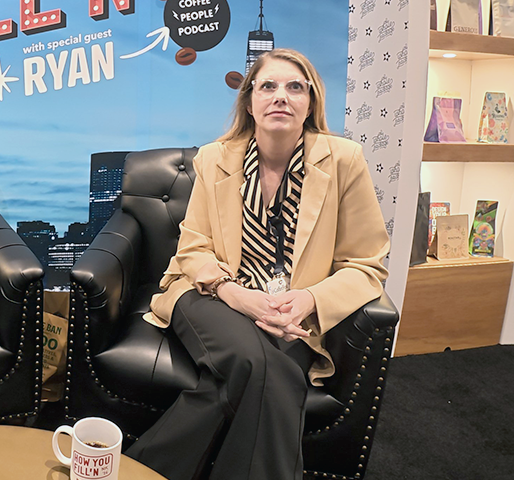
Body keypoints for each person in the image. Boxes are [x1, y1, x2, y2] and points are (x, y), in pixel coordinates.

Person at [127, 48, 390, 480]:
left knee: (245, 382)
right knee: (261, 366)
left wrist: (307, 299)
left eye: (295, 87)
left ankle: (137, 471)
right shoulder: (215, 159)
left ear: (310, 103)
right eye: (268, 86)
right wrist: (237, 296)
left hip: (291, 315)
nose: (280, 96)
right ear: (249, 102)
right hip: (210, 294)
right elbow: (193, 250)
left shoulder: (344, 161)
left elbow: (366, 264)